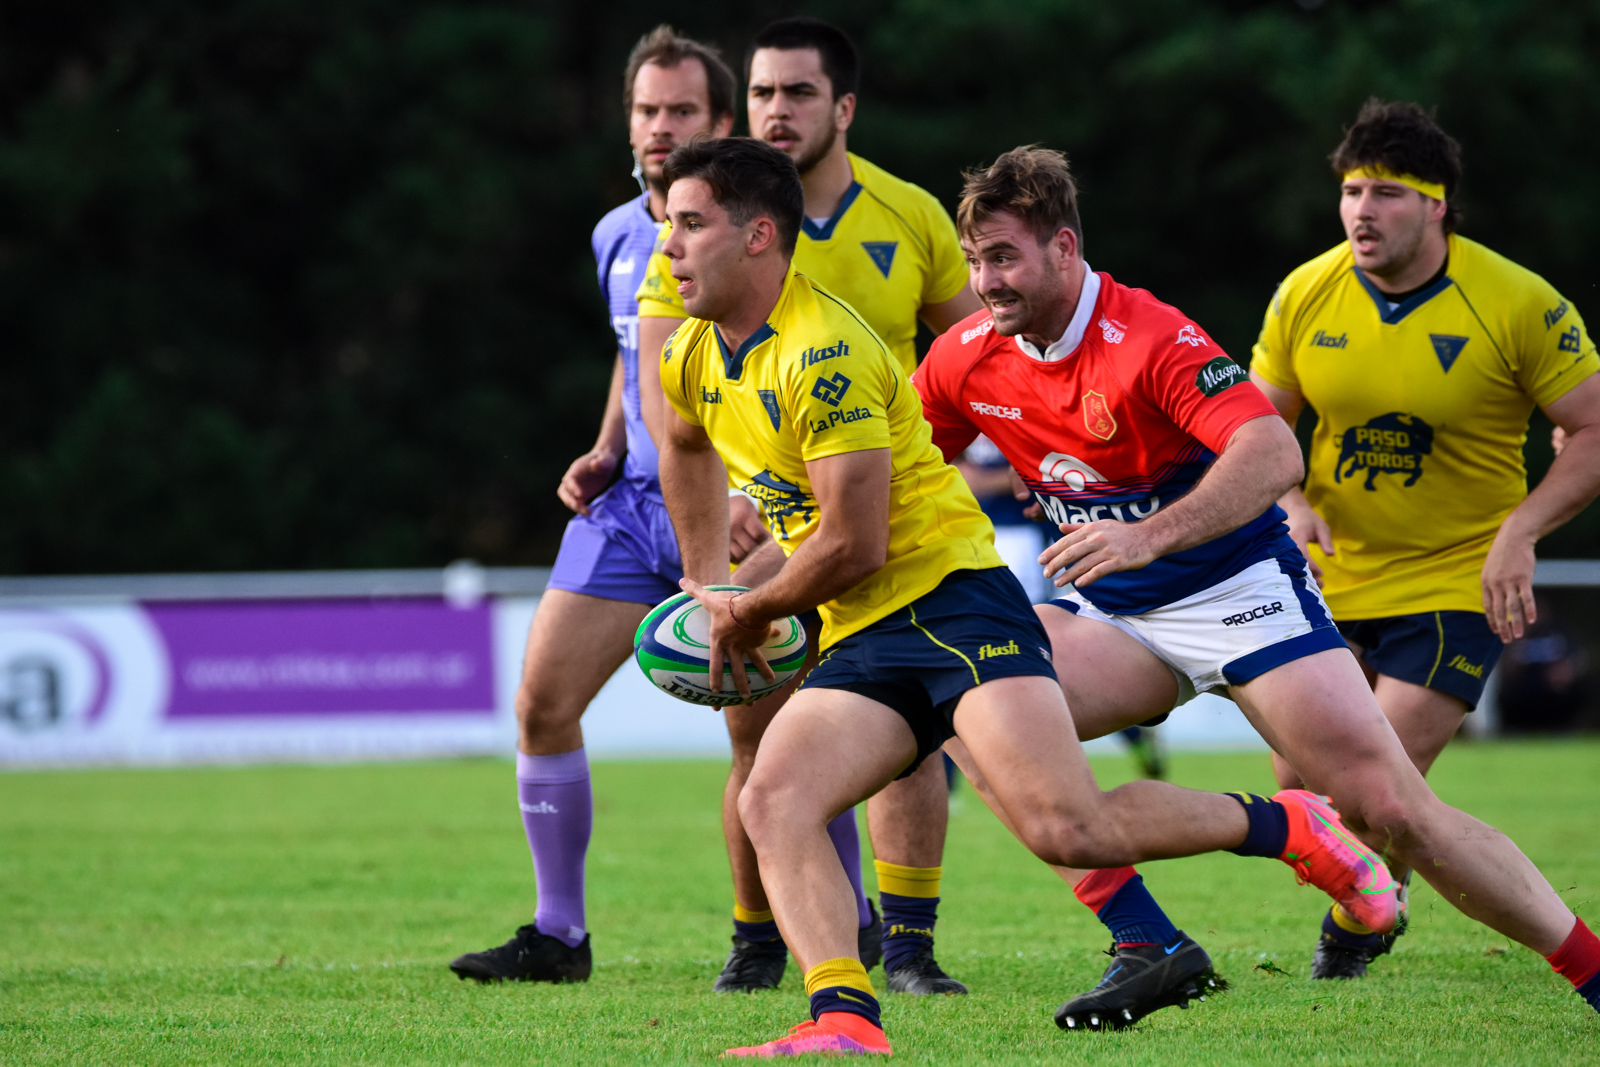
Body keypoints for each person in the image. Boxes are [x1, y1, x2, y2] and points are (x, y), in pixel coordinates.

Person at [654, 135, 1394, 1056]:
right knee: (775, 797)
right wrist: (709, 580)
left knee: (1064, 825)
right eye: (663, 224)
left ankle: (1286, 823)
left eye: (688, 224)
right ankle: (845, 1020)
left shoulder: (825, 351)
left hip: (952, 606)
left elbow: (855, 539)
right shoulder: (692, 351)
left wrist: (753, 607)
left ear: (759, 235)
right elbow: (682, 442)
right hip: (864, 623)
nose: (667, 246)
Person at [911, 144, 1600, 1020]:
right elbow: (892, 474)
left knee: (1393, 810)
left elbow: (1273, 449)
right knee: (956, 691)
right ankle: (1146, 938)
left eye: (1003, 256)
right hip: (1120, 621)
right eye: (973, 261)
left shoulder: (1149, 333)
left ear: (1065, 248)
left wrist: (1146, 536)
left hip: (1244, 598)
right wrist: (779, 549)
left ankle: (1593, 971)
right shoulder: (968, 353)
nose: (984, 282)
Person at [636, 17, 983, 996]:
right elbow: (681, 408)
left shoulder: (910, 216)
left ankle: (907, 946)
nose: (774, 110)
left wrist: (934, 458)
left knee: (935, 741)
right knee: (757, 729)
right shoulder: (703, 231)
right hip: (782, 520)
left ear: (843, 108)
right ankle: (762, 943)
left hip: (893, 524)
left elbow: (974, 360)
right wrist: (712, 572)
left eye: (795, 93)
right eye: (759, 93)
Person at [1249, 99, 1600, 978]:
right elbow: (1256, 425)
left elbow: (1593, 429)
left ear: (1438, 204)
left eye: (1389, 194)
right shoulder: (1305, 291)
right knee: (1304, 795)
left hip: (1457, 581)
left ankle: (1359, 927)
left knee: (1378, 786)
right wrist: (1288, 497)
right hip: (1329, 578)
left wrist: (1522, 530)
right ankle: (1375, 900)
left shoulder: (1516, 301)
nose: (1363, 211)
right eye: (1352, 190)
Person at [446, 26, 753, 985]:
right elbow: (638, 357)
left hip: (734, 510)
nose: (661, 129)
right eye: (646, 111)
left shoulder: (761, 235)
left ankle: (831, 924)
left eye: (681, 112)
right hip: (629, 507)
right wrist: (610, 442)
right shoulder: (616, 233)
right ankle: (559, 934)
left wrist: (754, 485)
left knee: (772, 732)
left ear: (723, 123)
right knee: (542, 701)